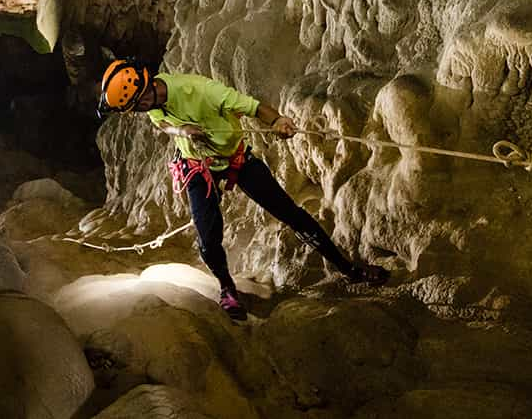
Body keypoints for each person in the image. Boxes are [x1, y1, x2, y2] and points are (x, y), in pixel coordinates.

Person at [99, 59, 388, 320]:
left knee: (289, 213)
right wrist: (182, 130)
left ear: (145, 92)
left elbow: (251, 106)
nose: (136, 112)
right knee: (208, 238)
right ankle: (227, 289)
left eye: (135, 106)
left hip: (235, 159)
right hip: (197, 166)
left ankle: (348, 269)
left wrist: (276, 121)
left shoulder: (199, 90)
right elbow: (163, 124)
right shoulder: (153, 105)